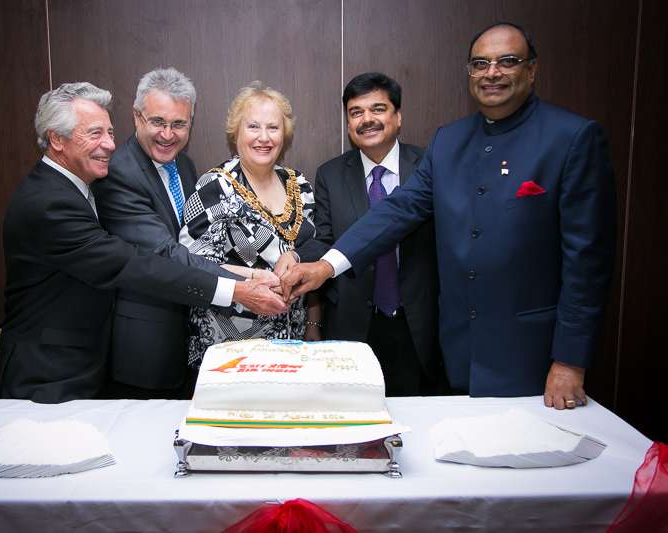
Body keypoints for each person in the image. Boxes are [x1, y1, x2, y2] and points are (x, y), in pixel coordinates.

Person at [281, 22, 616, 410]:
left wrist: (570, 360)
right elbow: (399, 210)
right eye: (481, 63)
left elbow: (587, 263)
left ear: (531, 69)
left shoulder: (572, 138)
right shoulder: (449, 141)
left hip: (531, 354)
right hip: (457, 352)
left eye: (507, 61)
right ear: (470, 72)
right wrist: (325, 266)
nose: (493, 72)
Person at [0, 82, 286, 403]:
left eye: (109, 132)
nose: (109, 145)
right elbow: (132, 262)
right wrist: (237, 289)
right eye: (94, 134)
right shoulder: (50, 202)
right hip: (51, 369)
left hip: (90, 355)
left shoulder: (84, 183)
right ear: (56, 140)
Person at [90, 68, 245, 399]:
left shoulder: (185, 166)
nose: (167, 134)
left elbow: (198, 245)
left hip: (183, 338)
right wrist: (242, 286)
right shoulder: (118, 173)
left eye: (179, 124)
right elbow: (164, 253)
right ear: (136, 117)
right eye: (158, 122)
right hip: (142, 347)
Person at [295, 72, 443, 396]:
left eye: (378, 109)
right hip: (353, 324)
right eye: (356, 112)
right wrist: (295, 258)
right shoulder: (331, 174)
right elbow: (323, 239)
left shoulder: (430, 167)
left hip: (419, 324)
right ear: (348, 123)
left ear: (398, 116)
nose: (367, 120)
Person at [180, 82, 315, 367]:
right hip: (229, 347)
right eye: (253, 127)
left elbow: (314, 244)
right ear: (236, 133)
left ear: (285, 134)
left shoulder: (299, 183)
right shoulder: (215, 186)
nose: (264, 138)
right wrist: (255, 278)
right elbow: (192, 262)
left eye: (273, 128)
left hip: (291, 340)